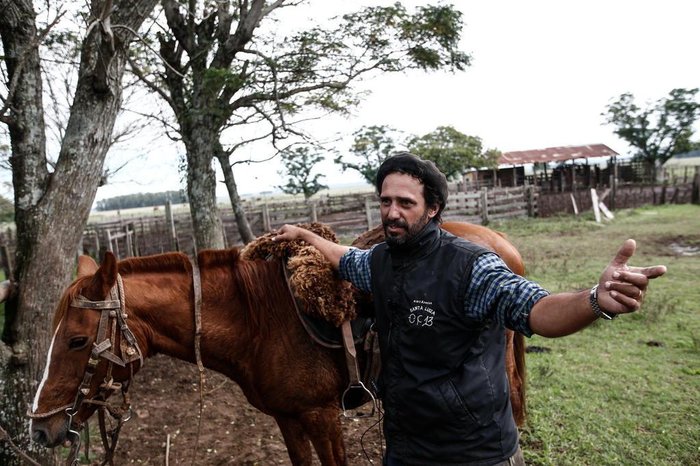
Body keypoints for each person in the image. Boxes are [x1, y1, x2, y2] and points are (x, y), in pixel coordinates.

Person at [273, 152, 667, 466]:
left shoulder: (469, 266)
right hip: (406, 447)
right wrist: (305, 236)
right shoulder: (380, 261)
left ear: (433, 209)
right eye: (386, 200)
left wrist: (595, 300)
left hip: (472, 451)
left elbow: (536, 309)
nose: (392, 212)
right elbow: (344, 259)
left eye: (406, 202)